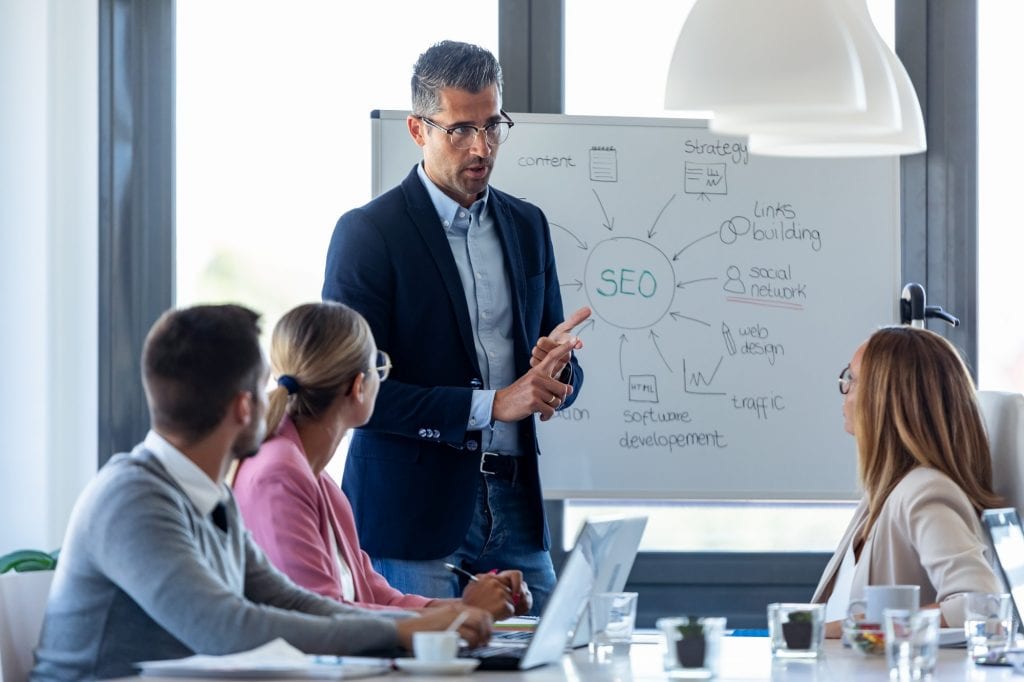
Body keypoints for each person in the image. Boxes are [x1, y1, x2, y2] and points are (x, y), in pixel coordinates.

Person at [31, 305, 491, 681]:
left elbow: (289, 600)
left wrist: (418, 626)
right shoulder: (131, 498)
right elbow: (227, 627)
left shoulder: (210, 496)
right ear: (243, 405)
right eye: (263, 385)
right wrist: (405, 631)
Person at [322, 40, 590, 611]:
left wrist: (558, 379)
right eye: (460, 130)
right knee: (427, 670)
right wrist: (494, 405)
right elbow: (355, 394)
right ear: (418, 130)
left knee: (548, 658)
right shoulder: (369, 235)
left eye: (493, 126)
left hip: (515, 501)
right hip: (410, 511)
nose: (481, 146)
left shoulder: (526, 226)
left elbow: (551, 367)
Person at [233, 301, 533, 619]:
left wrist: (467, 608)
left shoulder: (315, 476)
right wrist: (459, 616)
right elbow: (323, 617)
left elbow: (379, 597)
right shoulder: (280, 474)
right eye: (380, 368)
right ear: (359, 386)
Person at [812, 326, 1002, 636]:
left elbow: (980, 603)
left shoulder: (925, 490)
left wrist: (865, 627)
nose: (844, 390)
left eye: (852, 379)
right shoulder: (886, 490)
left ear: (883, 399)